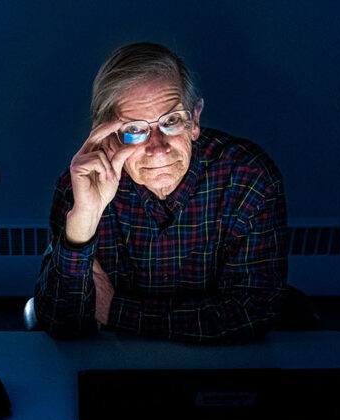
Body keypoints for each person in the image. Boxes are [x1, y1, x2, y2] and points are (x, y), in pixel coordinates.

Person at [34, 42, 287, 343]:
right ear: (106, 135)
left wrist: (116, 311)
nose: (157, 147)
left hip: (215, 368)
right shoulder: (80, 186)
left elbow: (253, 314)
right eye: (135, 129)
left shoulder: (249, 178)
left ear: (194, 121)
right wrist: (85, 217)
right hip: (113, 367)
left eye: (171, 121)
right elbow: (60, 325)